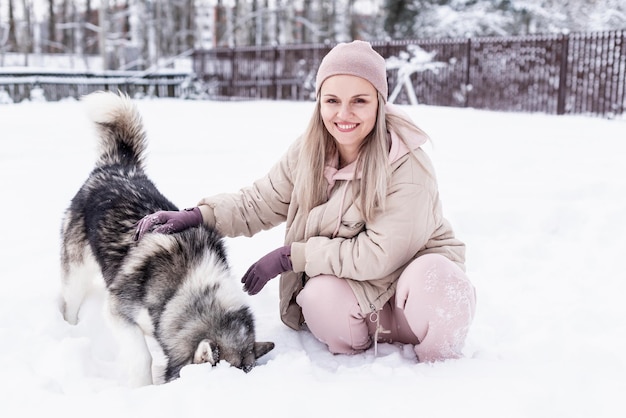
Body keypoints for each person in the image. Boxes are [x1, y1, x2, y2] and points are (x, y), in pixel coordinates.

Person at [135, 40, 476, 362]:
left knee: (435, 278)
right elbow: (260, 201)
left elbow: (378, 255)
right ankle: (362, 357)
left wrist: (290, 257)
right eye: (332, 100)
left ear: (379, 103)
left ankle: (439, 366)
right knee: (317, 297)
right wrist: (200, 216)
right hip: (367, 303)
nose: (344, 113)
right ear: (319, 102)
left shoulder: (407, 164)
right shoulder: (310, 151)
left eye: (359, 100)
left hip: (411, 297)